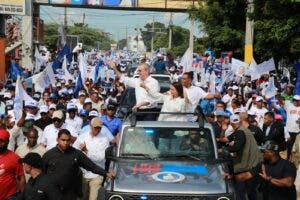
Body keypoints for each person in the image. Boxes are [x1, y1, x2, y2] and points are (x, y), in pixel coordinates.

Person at [42, 129, 115, 200]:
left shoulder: (76, 154)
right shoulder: (48, 155)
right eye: (63, 140)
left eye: (68, 140)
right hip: (53, 192)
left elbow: (91, 166)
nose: (65, 143)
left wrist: (106, 173)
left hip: (70, 193)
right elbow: (42, 173)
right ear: (57, 139)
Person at [218, 114, 262, 200]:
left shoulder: (240, 132)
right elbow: (227, 139)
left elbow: (237, 147)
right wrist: (218, 138)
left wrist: (223, 150)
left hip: (248, 165)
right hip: (252, 164)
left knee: (242, 191)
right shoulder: (242, 130)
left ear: (230, 123)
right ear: (240, 121)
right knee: (250, 191)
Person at [73, 118, 110, 200]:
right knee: (82, 197)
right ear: (90, 126)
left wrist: (86, 151)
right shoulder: (83, 136)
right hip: (83, 173)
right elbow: (74, 150)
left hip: (97, 174)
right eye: (95, 127)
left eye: (99, 128)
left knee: (93, 198)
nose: (97, 130)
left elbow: (101, 158)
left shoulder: (105, 139)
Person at [0, 129, 25, 200]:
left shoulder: (15, 158)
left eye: (1, 141)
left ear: (7, 142)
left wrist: (23, 196)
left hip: (9, 196)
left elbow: (21, 178)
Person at [285, 95, 300, 159]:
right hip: (289, 130)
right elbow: (281, 101)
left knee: (296, 147)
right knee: (289, 146)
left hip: (298, 131)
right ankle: (288, 158)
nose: (295, 101)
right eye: (294, 100)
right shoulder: (289, 106)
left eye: (297, 100)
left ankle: (294, 160)